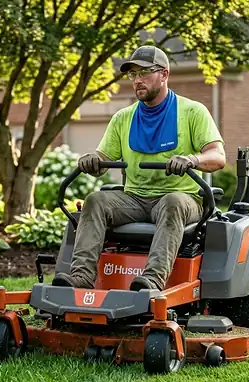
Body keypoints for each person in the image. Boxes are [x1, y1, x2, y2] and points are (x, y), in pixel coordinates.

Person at [52, 45, 227, 292]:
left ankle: (152, 281)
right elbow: (103, 158)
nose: (137, 80)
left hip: (182, 198)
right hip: (134, 198)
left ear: (164, 74)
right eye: (133, 74)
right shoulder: (123, 118)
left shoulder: (192, 111)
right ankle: (80, 278)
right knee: (95, 201)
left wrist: (191, 160)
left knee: (172, 203)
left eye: (144, 72)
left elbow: (218, 156)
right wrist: (92, 160)